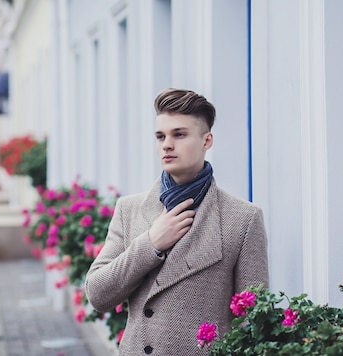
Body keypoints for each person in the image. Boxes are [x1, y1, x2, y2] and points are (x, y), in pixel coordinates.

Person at [85, 88, 269, 355]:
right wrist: (150, 244)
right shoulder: (130, 209)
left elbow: (254, 320)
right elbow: (98, 294)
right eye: (160, 136)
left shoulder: (243, 219)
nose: (166, 145)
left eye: (179, 135)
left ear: (207, 141)